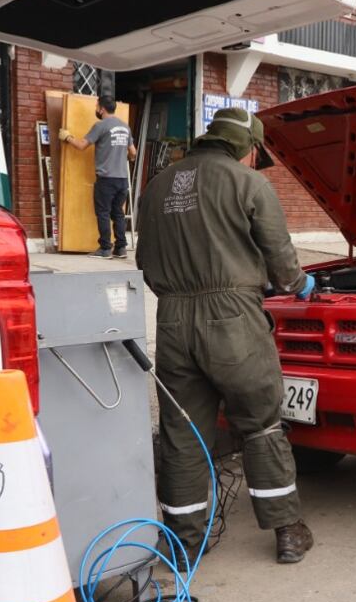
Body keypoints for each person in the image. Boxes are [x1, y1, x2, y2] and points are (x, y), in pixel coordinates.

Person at [136, 107, 318, 564]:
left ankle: (182, 545)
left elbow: (144, 263)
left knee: (182, 432)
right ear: (248, 148)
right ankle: (288, 531)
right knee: (260, 423)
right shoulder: (250, 183)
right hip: (233, 320)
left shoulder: (157, 186)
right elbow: (280, 257)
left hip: (173, 320)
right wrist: (299, 285)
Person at [60, 96, 137, 258]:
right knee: (118, 213)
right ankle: (121, 248)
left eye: (96, 106)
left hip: (106, 179)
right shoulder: (125, 127)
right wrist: (121, 157)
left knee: (103, 212)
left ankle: (105, 248)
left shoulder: (100, 126)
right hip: (122, 179)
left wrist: (67, 137)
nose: (96, 109)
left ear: (102, 109)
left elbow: (81, 146)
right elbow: (133, 153)